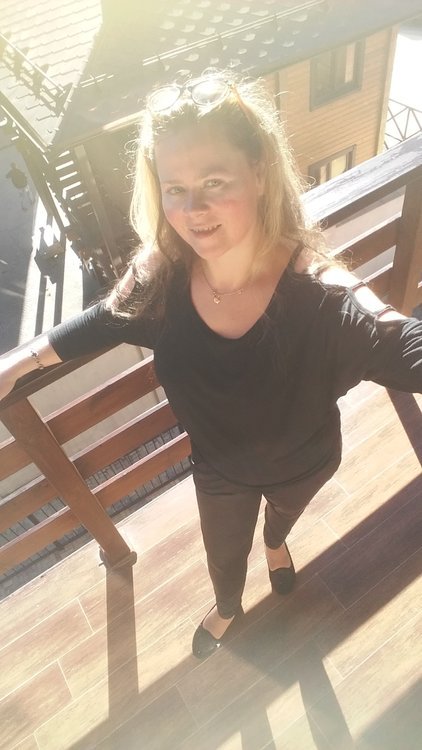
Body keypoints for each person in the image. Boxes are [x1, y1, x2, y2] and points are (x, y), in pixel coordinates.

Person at [1, 70, 421, 658]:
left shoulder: (324, 297)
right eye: (174, 187)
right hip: (219, 471)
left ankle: (276, 544)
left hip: (305, 464)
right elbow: (102, 321)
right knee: (223, 555)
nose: (192, 209)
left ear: (260, 173)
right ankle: (228, 606)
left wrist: (366, 303)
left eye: (213, 181)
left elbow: (401, 342)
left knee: (281, 520)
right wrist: (19, 363)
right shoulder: (162, 282)